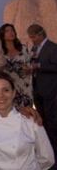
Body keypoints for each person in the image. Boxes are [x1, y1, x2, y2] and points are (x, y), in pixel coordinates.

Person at [27, 23, 57, 151]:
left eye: (33, 37)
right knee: (42, 120)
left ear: (40, 34)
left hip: (50, 90)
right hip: (37, 90)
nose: (32, 40)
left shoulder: (53, 48)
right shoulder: (34, 48)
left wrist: (39, 66)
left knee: (52, 121)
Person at [0, 23, 33, 108]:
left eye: (12, 30)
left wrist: (29, 69)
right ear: (2, 35)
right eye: (7, 31)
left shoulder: (23, 48)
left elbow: (29, 65)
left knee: (26, 115)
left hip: (24, 87)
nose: (11, 32)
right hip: (7, 87)